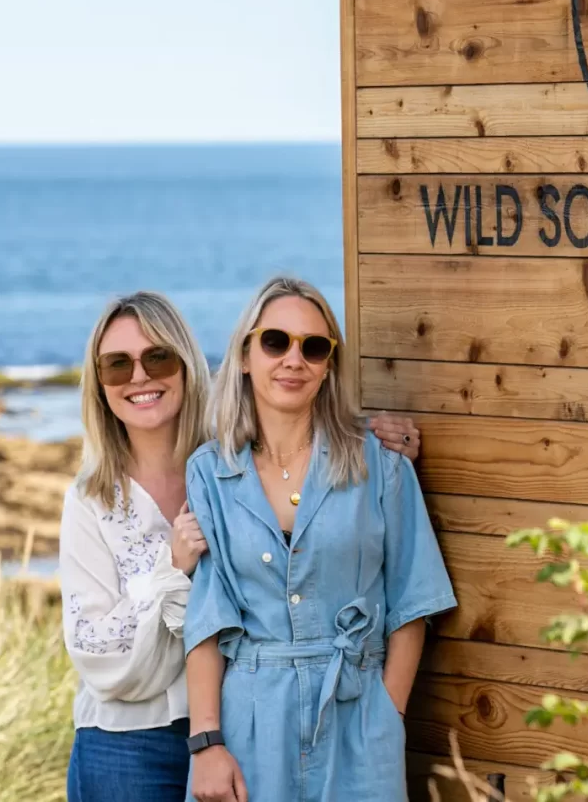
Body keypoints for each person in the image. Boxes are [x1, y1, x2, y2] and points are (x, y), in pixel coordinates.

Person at [60, 291, 423, 802]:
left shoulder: (221, 461)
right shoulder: (91, 501)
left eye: (157, 357)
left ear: (187, 366)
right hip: (130, 743)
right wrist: (171, 569)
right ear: (100, 384)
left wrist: (374, 436)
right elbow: (97, 654)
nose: (140, 377)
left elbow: (291, 428)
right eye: (118, 365)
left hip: (239, 728)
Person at [183, 277, 456, 802]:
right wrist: (206, 743)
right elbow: (206, 623)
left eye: (313, 347)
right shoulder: (209, 472)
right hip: (249, 721)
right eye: (275, 341)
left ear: (329, 364)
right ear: (244, 355)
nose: (294, 360)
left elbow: (412, 604)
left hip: (357, 717)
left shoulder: (380, 462)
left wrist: (387, 715)